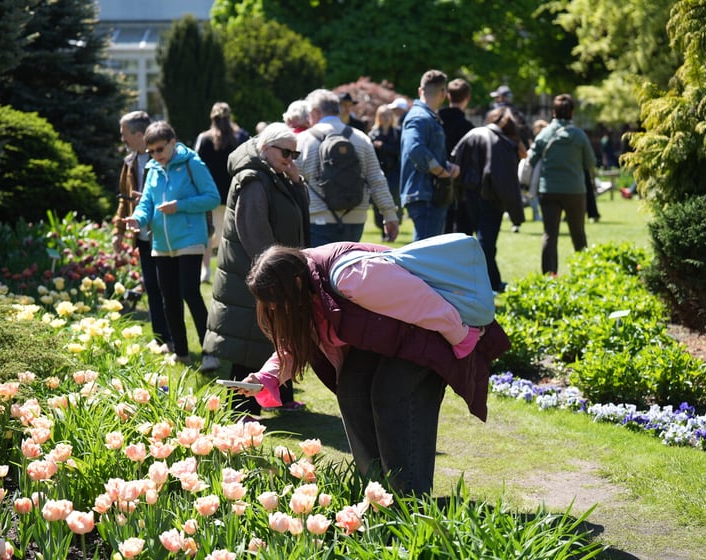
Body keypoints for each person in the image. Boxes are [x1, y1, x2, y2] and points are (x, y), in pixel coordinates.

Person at [235, 243, 509, 495]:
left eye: (275, 303)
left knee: (392, 394)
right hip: (388, 338)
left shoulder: (351, 276)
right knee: (352, 391)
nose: (274, 309)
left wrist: (461, 337)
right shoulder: (303, 289)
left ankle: (409, 497)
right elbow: (295, 343)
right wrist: (265, 377)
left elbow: (423, 302)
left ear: (294, 282)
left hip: (429, 330)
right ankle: (377, 491)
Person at [203, 123, 310, 416]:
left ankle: (278, 398)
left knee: (274, 338)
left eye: (295, 153)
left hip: (270, 271)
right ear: (265, 149)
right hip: (253, 275)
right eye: (285, 152)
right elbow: (254, 233)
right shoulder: (252, 180)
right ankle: (243, 411)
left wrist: (297, 182)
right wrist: (274, 274)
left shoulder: (275, 174)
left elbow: (299, 218)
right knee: (248, 345)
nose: (291, 158)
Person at [123, 121, 221, 370]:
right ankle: (181, 352)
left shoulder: (192, 163)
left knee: (190, 292)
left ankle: (211, 352)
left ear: (172, 143)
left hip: (189, 239)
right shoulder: (154, 169)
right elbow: (146, 202)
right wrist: (138, 219)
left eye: (160, 149)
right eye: (151, 151)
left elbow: (213, 198)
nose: (156, 155)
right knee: (169, 298)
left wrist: (180, 205)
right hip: (161, 243)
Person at [297, 88, 399, 246]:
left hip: (318, 218)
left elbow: (292, 181)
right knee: (347, 268)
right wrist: (389, 215)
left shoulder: (302, 140)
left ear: (316, 112)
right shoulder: (361, 138)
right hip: (355, 218)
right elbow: (376, 178)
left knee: (320, 269)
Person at [111, 111, 172, 350]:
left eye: (125, 135)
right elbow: (123, 200)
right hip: (143, 236)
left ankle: (176, 340)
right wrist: (118, 231)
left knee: (169, 288)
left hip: (167, 234)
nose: (122, 139)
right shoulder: (129, 163)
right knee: (152, 288)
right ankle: (160, 339)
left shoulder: (163, 157)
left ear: (138, 134)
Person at [451, 107, 526, 293]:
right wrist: (516, 213)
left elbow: (454, 162)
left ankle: (483, 281)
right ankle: (490, 283)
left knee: (476, 242)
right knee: (486, 243)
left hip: (468, 195)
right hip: (491, 198)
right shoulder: (501, 143)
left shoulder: (472, 134)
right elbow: (506, 181)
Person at [528, 94, 597, 275]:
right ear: (572, 112)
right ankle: (584, 272)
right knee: (578, 233)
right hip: (575, 190)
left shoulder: (545, 133)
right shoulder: (579, 135)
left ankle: (550, 275)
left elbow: (531, 159)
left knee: (550, 235)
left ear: (553, 112)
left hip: (549, 189)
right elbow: (590, 163)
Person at [399, 69, 460, 240]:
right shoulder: (419, 117)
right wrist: (441, 171)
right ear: (443, 93)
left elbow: (423, 151)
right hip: (425, 195)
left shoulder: (427, 117)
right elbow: (414, 149)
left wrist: (447, 167)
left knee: (427, 254)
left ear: (420, 90)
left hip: (428, 194)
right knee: (423, 258)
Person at [194, 102, 248, 284]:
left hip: (210, 194)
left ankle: (205, 269)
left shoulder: (204, 138)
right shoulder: (241, 136)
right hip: (236, 193)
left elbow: (196, 168)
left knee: (209, 233)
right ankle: (231, 270)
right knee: (232, 234)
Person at [438, 78, 474, 234]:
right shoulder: (468, 128)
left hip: (436, 179)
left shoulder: (436, 121)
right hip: (460, 184)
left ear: (447, 96)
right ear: (467, 98)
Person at [368, 104, 402, 239]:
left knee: (394, 202)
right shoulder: (373, 134)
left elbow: (400, 150)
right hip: (378, 173)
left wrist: (383, 146)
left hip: (394, 174)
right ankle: (383, 231)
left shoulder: (397, 133)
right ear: (378, 117)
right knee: (378, 204)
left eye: (388, 115)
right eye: (383, 115)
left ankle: (393, 230)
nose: (386, 118)